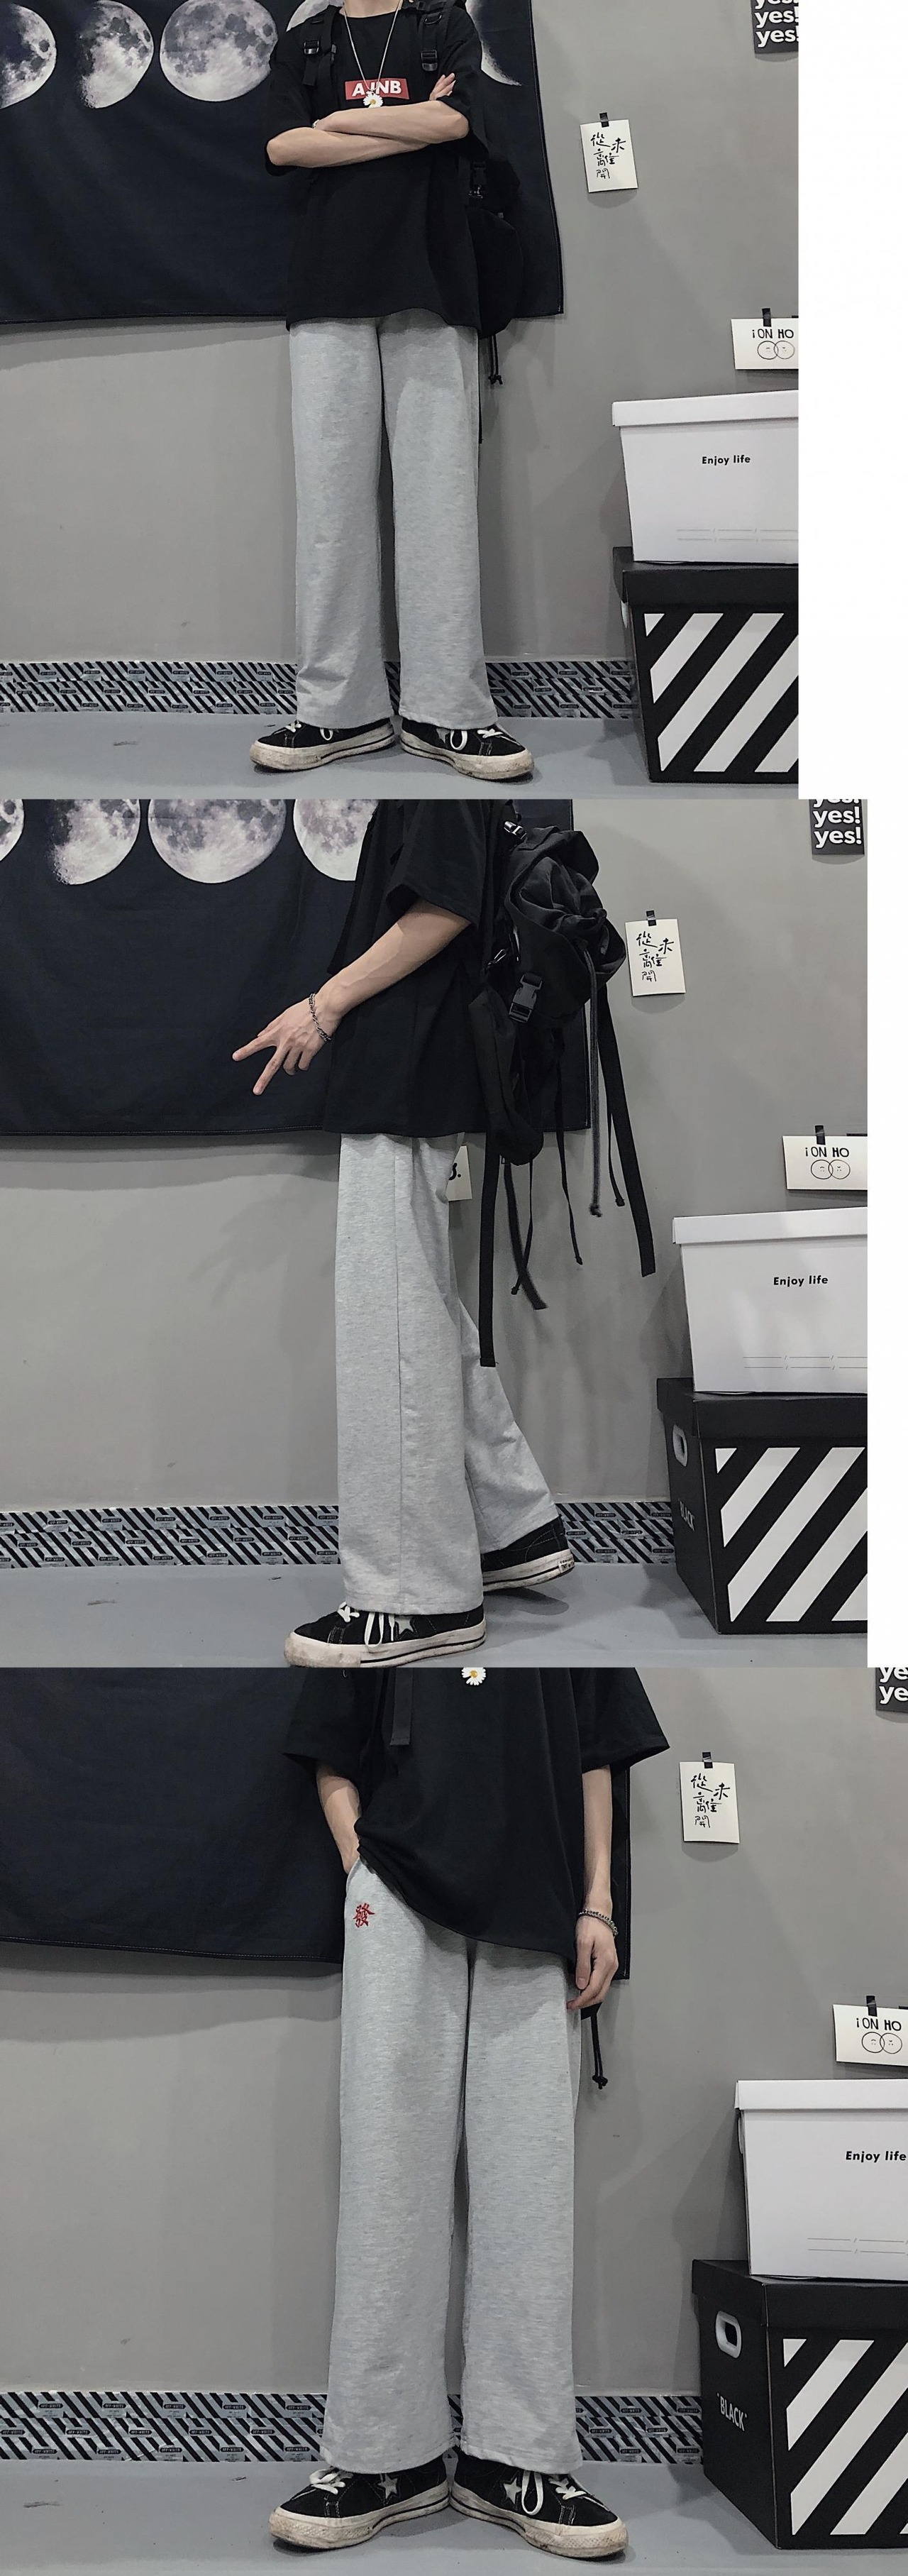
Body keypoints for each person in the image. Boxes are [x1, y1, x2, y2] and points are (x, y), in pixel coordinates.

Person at [270, 1664, 669, 2558]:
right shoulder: (389, 1612)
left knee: (528, 2191)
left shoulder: (571, 1629)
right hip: (395, 1894)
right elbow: (329, 1742)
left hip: (540, 1897)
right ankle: (381, 2457)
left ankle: (515, 2458)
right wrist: (360, 1868)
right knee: (387, 2181)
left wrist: (598, 1903)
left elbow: (596, 1751)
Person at [234, 801, 572, 1670]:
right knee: (412, 1300)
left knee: (388, 1323)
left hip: (409, 1062)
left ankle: (415, 1597)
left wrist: (322, 1007)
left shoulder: (437, 783)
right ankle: (507, 1527)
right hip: (413, 1059)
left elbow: (445, 906)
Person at [251, 0, 533, 784]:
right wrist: (407, 120)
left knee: (441, 506)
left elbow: (456, 124)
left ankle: (450, 713)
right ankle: (339, 710)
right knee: (329, 509)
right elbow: (283, 144)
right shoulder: (306, 43)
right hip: (327, 288)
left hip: (435, 280)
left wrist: (338, 123)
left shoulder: (441, 26)